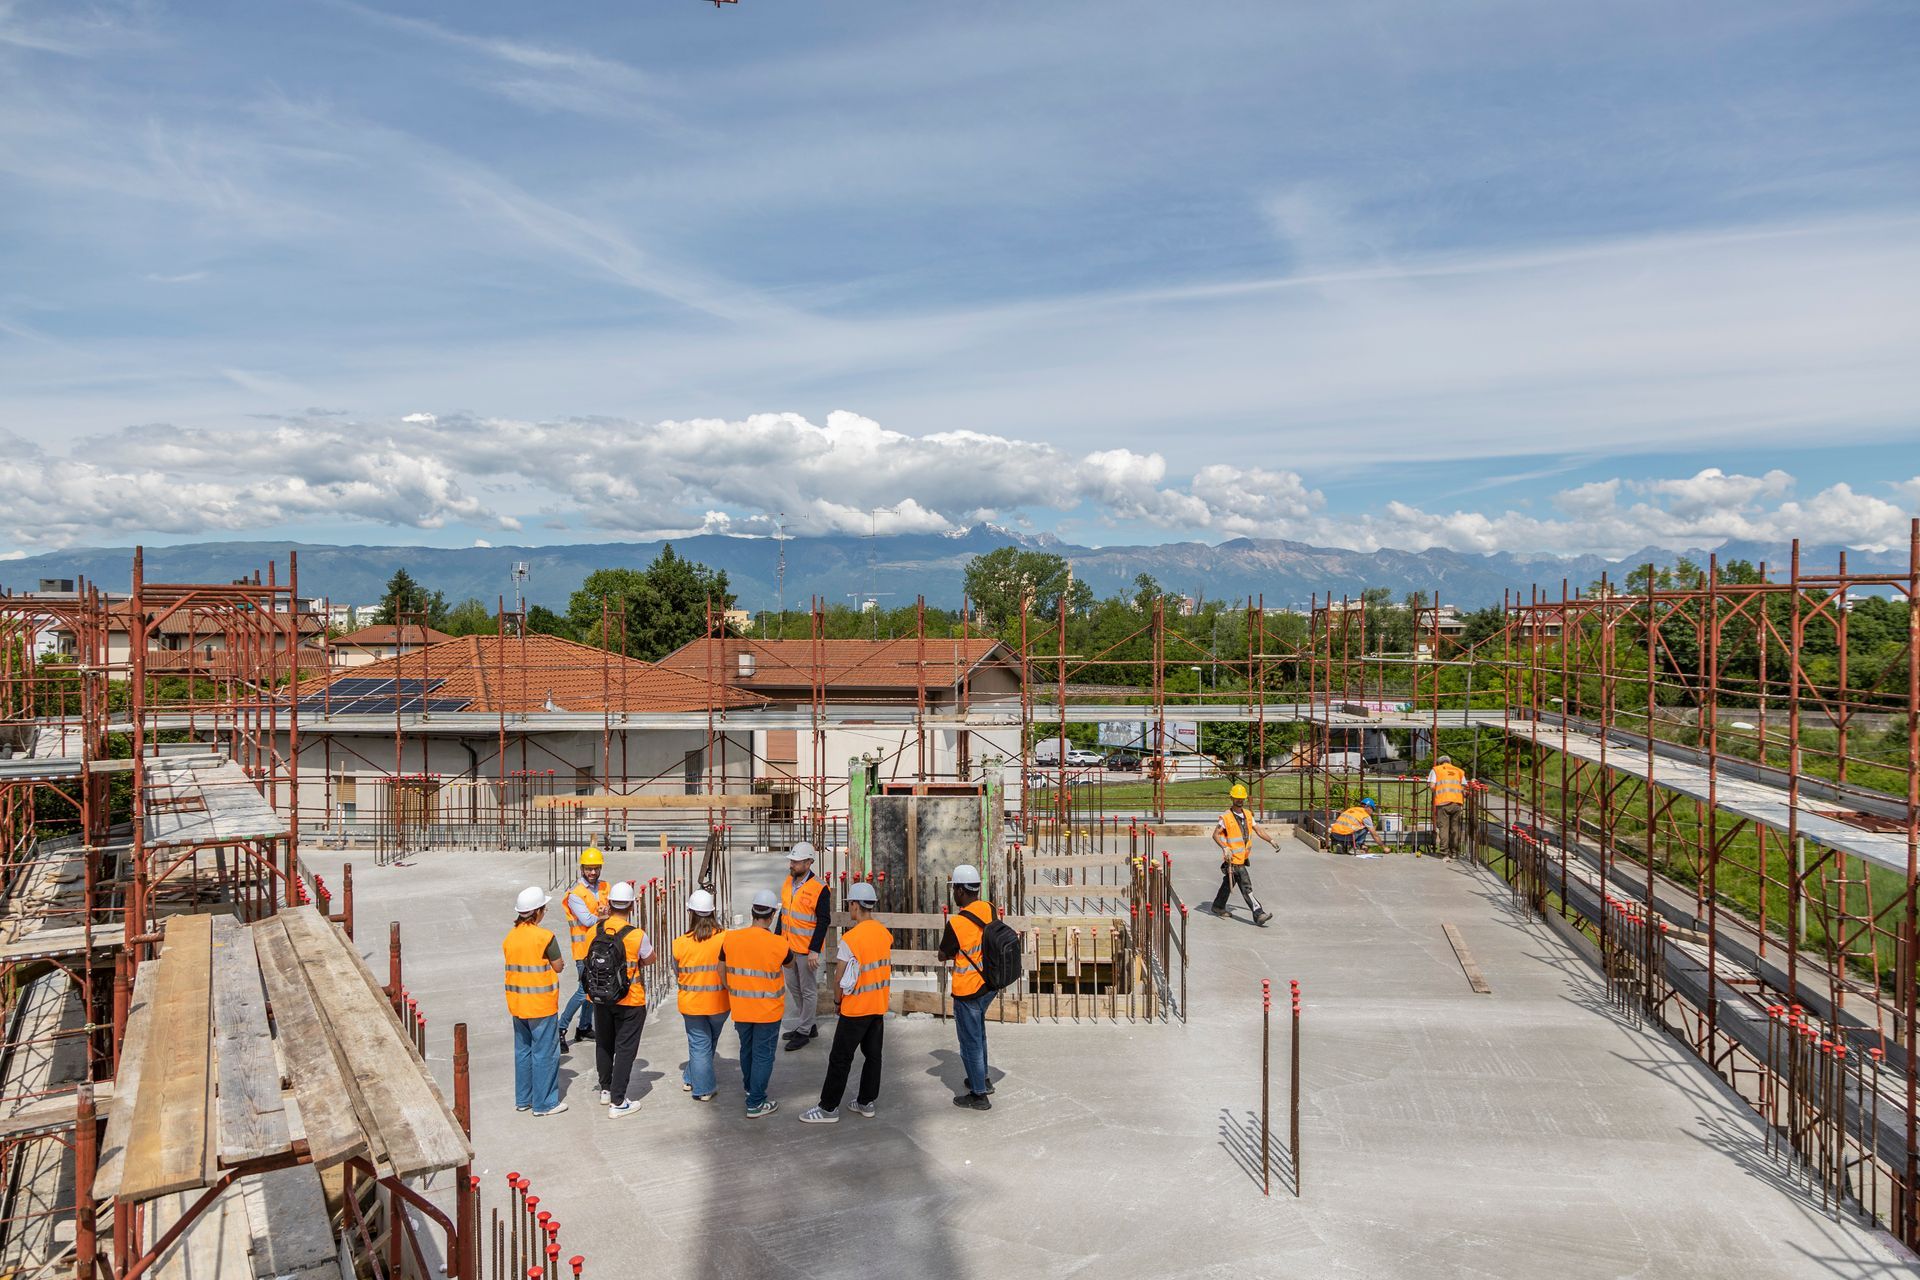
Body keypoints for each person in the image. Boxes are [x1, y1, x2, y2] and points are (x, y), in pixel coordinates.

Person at [800, 881, 891, 1123]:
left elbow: (839, 977)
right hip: (878, 1006)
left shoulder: (851, 939)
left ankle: (828, 1108)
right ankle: (866, 1101)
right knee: (873, 1056)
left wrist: (838, 1002)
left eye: (850, 904)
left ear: (855, 905)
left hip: (855, 1009)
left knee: (840, 1058)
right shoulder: (884, 934)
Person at [723, 889, 794, 1118]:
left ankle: (749, 1088)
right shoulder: (778, 943)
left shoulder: (731, 939)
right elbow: (790, 964)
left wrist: (732, 988)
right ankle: (755, 1102)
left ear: (752, 911)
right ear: (772, 915)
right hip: (768, 1012)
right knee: (763, 1055)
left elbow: (720, 969)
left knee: (747, 1050)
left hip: (741, 1008)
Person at [502, 886, 568, 1117]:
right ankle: (545, 1103)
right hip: (541, 1004)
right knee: (545, 1053)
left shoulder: (510, 938)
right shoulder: (545, 936)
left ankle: (524, 1099)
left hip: (518, 1004)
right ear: (537, 911)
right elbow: (558, 966)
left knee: (523, 1052)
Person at [591, 881, 654, 1118]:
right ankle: (618, 1101)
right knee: (625, 1049)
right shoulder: (636, 934)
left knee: (604, 1043)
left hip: (600, 997)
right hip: (630, 1000)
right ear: (632, 906)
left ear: (608, 904)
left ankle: (605, 1089)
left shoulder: (594, 931)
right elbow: (649, 958)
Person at [938, 864, 996, 1111]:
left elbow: (943, 954)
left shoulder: (957, 924)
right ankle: (981, 1078)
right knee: (979, 1035)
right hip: (989, 985)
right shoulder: (990, 909)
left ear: (961, 891)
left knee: (969, 1041)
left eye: (954, 889)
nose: (953, 894)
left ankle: (979, 1094)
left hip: (968, 991)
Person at [672, 889, 729, 1103]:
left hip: (692, 1004)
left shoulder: (680, 943)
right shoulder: (725, 938)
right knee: (706, 1042)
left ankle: (701, 1086)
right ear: (713, 912)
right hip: (719, 1003)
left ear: (691, 913)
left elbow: (677, 972)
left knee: (699, 1044)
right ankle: (693, 1079)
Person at [779, 841, 829, 1052]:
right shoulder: (788, 883)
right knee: (794, 987)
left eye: (796, 862)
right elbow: (783, 915)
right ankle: (807, 1024)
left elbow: (823, 920)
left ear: (808, 863)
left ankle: (804, 1029)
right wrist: (775, 942)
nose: (791, 865)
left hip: (806, 950)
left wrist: (814, 950)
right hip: (788, 948)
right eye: (791, 860)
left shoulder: (820, 888)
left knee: (808, 991)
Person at [559, 847, 611, 1047]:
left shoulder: (605, 886)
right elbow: (588, 920)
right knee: (584, 990)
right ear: (582, 869)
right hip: (584, 951)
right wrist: (605, 915)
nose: (593, 873)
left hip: (602, 947)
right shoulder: (575, 894)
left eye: (596, 868)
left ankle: (584, 1027)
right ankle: (561, 1028)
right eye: (589, 869)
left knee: (594, 989)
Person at [1207, 782, 1278, 925]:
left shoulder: (1248, 814)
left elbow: (1258, 830)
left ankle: (1218, 906)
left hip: (1243, 857)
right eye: (1237, 798)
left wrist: (1271, 840)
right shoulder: (1226, 817)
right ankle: (1258, 914)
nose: (1240, 800)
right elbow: (1215, 835)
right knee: (1246, 886)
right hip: (1233, 859)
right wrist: (1224, 847)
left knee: (1228, 883)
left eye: (1242, 798)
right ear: (1232, 798)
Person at [1426, 754, 1470, 860]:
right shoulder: (1459, 771)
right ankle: (1454, 852)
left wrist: (1439, 792)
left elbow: (1432, 786)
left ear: (1440, 762)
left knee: (1443, 828)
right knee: (1455, 828)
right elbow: (1463, 787)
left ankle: (1444, 853)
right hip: (1457, 803)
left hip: (1442, 803)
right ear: (1450, 762)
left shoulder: (1436, 770)